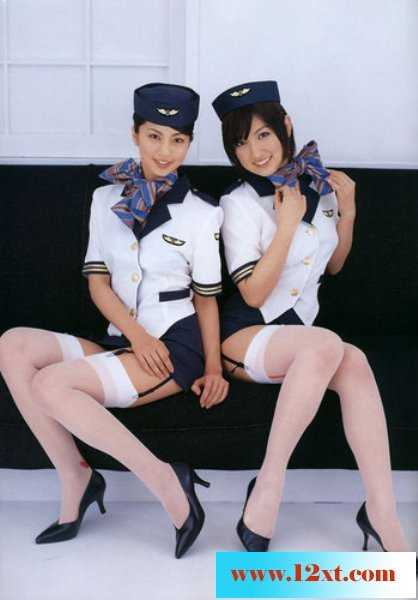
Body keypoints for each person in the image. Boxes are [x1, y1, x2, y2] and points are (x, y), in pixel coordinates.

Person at [0, 82, 228, 559]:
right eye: (154, 136)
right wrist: (135, 335)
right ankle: (76, 476)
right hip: (125, 339)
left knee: (52, 385)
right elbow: (99, 283)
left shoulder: (203, 212)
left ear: (189, 143)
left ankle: (167, 481)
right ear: (135, 133)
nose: (165, 151)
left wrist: (213, 368)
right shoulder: (105, 199)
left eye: (178, 140)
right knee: (12, 345)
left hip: (175, 345)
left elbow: (206, 300)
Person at [212, 80, 417, 566]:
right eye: (240, 142)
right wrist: (285, 226)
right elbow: (253, 293)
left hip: (304, 341)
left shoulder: (318, 187)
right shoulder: (237, 203)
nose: (254, 152)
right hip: (245, 335)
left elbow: (333, 266)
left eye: (263, 135)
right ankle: (269, 487)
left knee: (352, 359)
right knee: (325, 343)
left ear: (286, 126)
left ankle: (382, 512)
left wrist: (347, 214)